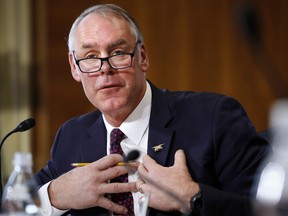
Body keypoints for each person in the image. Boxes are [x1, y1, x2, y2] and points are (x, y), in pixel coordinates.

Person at [33, 3, 269, 216]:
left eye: (117, 53)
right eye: (91, 57)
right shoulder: (71, 136)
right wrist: (54, 194)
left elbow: (273, 208)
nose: (105, 69)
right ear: (75, 68)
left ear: (142, 58)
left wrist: (193, 197)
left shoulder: (213, 118)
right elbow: (10, 203)